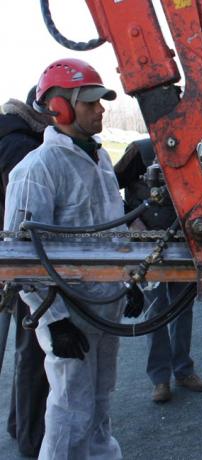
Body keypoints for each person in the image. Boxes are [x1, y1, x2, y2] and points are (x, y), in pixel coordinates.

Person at [4, 58, 133, 459]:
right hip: (68, 311)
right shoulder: (37, 168)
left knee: (99, 400)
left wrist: (129, 281)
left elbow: (114, 228)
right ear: (59, 107)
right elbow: (20, 258)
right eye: (90, 102)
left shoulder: (100, 161)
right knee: (69, 406)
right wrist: (53, 320)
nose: (100, 110)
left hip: (104, 305)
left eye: (101, 102)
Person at [113, 139, 202, 403]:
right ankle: (160, 378)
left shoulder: (193, 152)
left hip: (182, 240)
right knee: (155, 310)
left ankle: (183, 370)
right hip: (147, 244)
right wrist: (131, 220)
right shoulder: (139, 151)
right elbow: (109, 187)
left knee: (181, 308)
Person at [1, 85, 52, 456]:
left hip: (10, 257)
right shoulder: (22, 148)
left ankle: (20, 426)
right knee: (30, 350)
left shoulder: (14, 136)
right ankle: (30, 440)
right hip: (12, 259)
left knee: (27, 348)